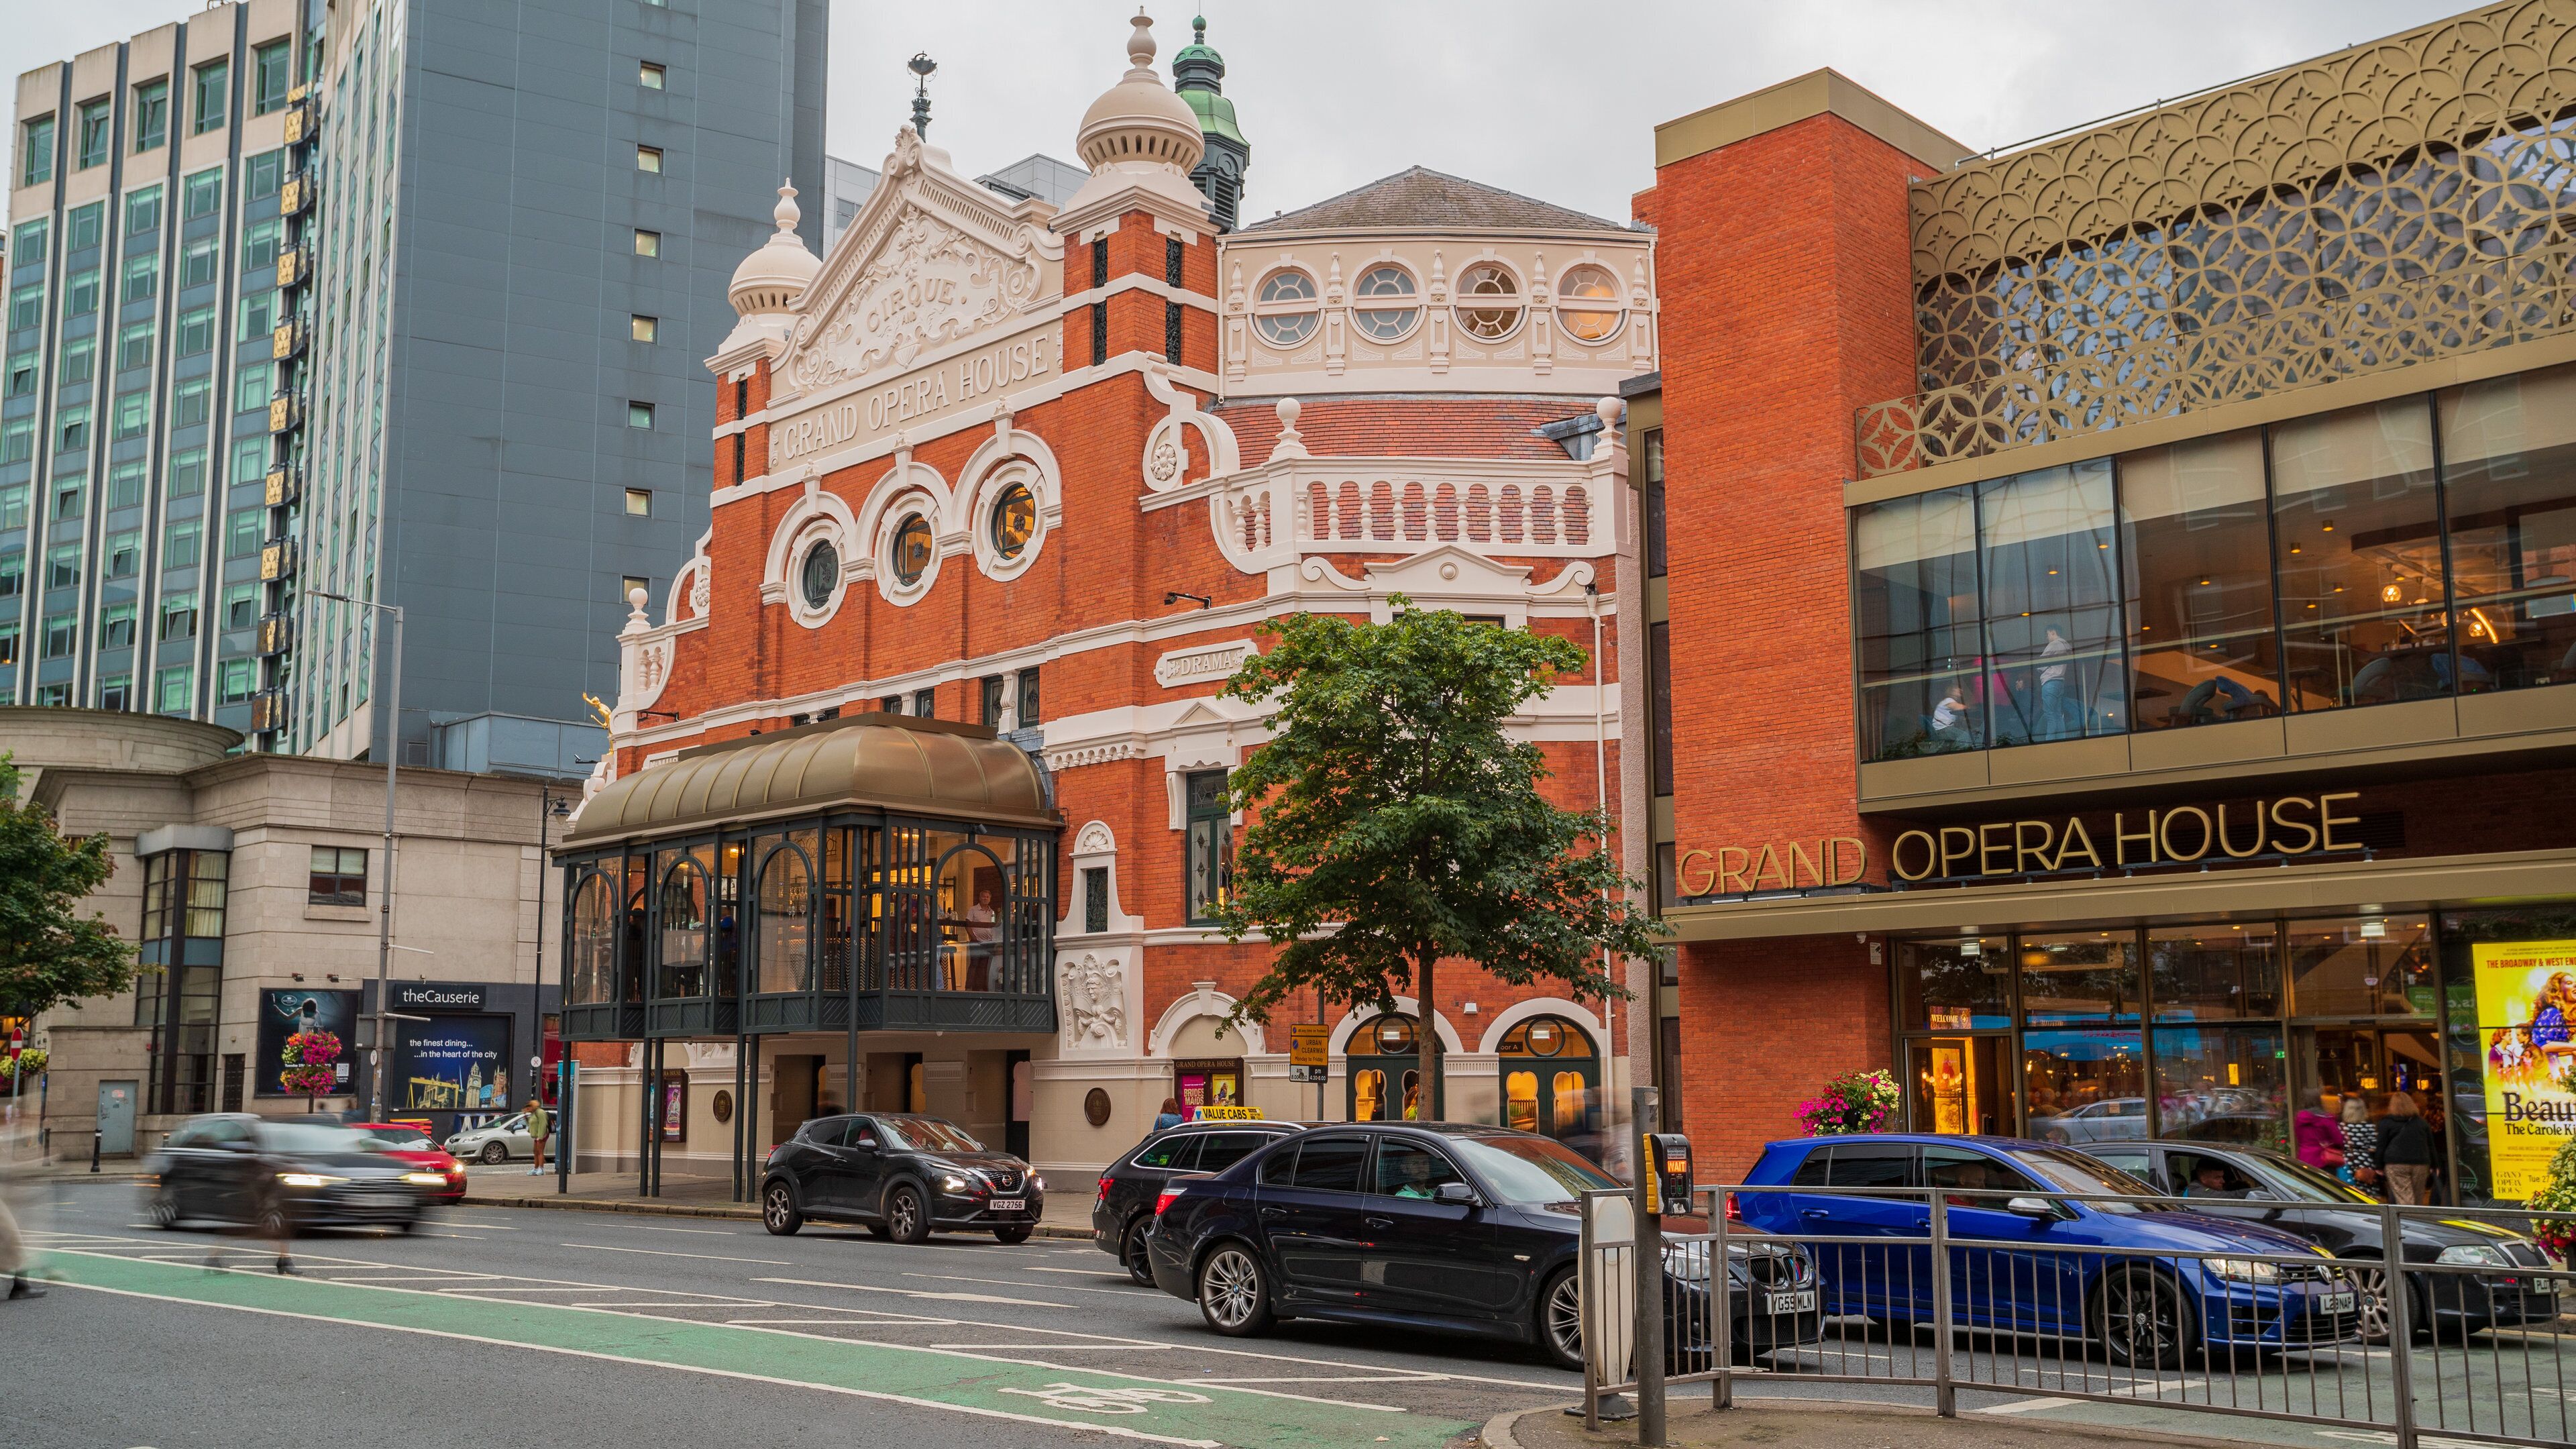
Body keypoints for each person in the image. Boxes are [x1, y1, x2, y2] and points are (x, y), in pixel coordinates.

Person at [2378, 1091, 2436, 1205]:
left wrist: (2378, 1165)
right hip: (2420, 1163)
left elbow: (2381, 1145)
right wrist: (2435, 1164)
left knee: (2404, 1197)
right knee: (2418, 1197)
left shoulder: (2386, 1123)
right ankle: (2416, 1218)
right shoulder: (2421, 1122)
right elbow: (2430, 1144)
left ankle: (2408, 1219)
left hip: (2396, 1163)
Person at [2037, 627, 2080, 739]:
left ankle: (2049, 740)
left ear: (2053, 632)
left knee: (2049, 714)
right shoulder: (2065, 646)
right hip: (2060, 682)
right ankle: (2062, 738)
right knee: (2058, 714)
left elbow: (2041, 664)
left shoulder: (2054, 644)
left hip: (2050, 681)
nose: (2047, 638)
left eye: (2047, 634)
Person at [2294, 1087, 2345, 1171]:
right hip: (2324, 1160)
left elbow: (2299, 1138)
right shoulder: (2326, 1118)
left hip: (2304, 1159)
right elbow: (2338, 1140)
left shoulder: (2299, 1118)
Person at [2339, 1094, 2381, 1195]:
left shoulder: (2341, 1127)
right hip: (2366, 1164)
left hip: (2347, 1163)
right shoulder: (2369, 1127)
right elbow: (2375, 1147)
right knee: (2366, 1195)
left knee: (2349, 1193)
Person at [525, 1096, 552, 1177]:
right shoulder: (533, 1114)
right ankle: (536, 1168)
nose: (528, 1109)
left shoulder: (540, 1112)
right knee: (535, 1151)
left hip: (541, 1135)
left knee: (540, 1152)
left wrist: (541, 1136)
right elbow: (532, 1124)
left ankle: (541, 1168)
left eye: (529, 1107)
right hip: (536, 1135)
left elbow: (543, 1124)